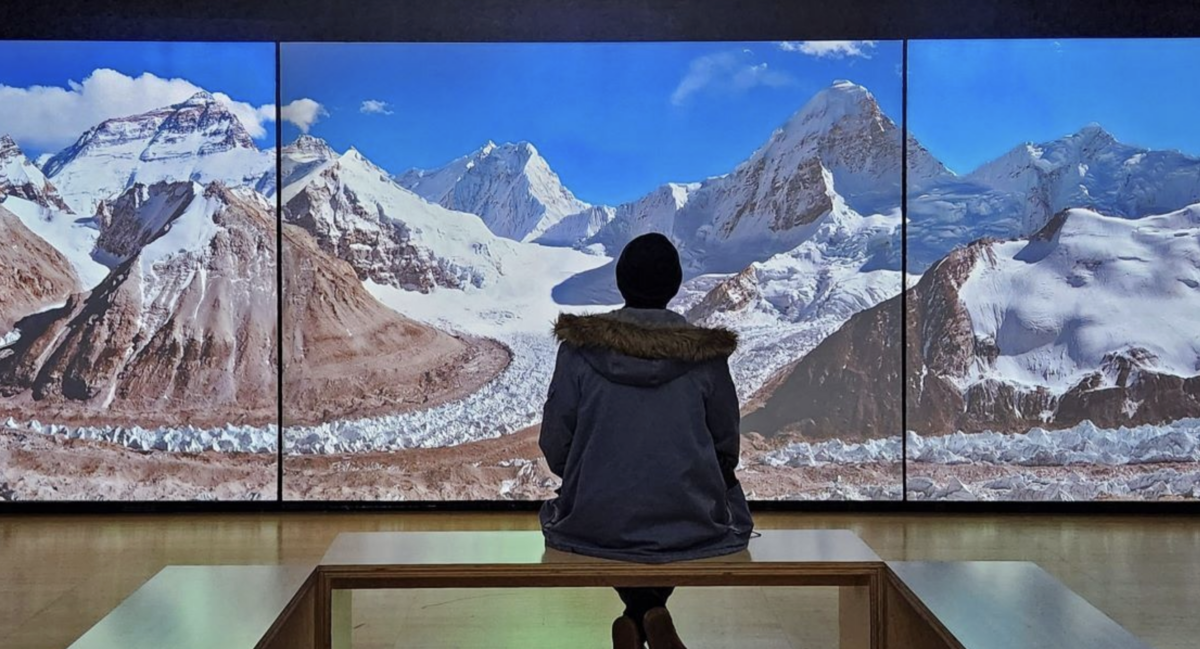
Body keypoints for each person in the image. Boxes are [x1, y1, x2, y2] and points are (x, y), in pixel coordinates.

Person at [539, 233, 754, 649]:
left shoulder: (579, 351)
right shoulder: (705, 357)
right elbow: (726, 448)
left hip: (596, 520)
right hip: (689, 520)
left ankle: (637, 614)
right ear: (673, 287)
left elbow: (555, 444)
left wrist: (596, 470)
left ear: (620, 283)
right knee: (680, 520)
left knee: (609, 516)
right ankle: (650, 611)